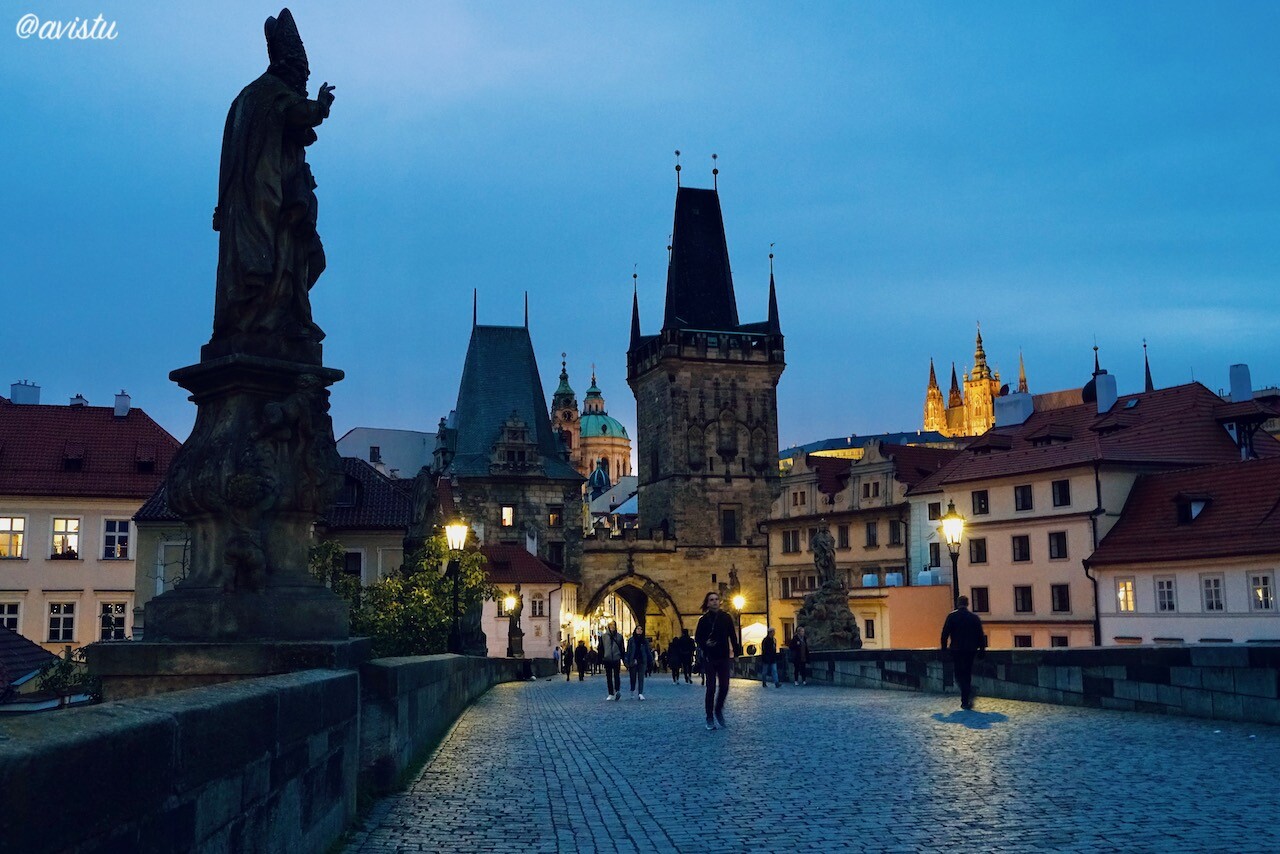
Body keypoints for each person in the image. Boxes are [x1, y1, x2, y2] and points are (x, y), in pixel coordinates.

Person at [694, 591, 743, 730]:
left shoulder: (726, 617)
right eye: (711, 600)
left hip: (723, 656)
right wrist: (705, 644)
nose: (715, 601)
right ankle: (709, 717)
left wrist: (737, 652)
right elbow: (698, 638)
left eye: (716, 599)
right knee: (710, 688)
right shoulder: (703, 620)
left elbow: (732, 635)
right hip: (710, 657)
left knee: (725, 686)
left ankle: (718, 709)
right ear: (707, 603)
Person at [941, 595, 987, 710]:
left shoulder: (952, 617)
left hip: (956, 650)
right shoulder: (974, 618)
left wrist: (944, 648)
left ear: (957, 603)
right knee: (967, 674)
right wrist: (982, 650)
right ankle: (966, 698)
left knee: (958, 675)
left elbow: (944, 634)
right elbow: (981, 636)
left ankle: (967, 694)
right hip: (970, 650)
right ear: (967, 604)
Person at [600, 621, 627, 701]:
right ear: (608, 626)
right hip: (607, 658)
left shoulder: (619, 637)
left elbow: (622, 648)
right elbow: (601, 648)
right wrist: (601, 658)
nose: (612, 626)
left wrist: (622, 657)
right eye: (611, 625)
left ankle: (617, 691)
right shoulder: (604, 636)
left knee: (616, 676)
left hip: (616, 658)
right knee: (609, 677)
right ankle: (610, 693)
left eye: (614, 625)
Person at [626, 626, 653, 700]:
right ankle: (632, 690)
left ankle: (640, 693)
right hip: (633, 661)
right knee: (633, 677)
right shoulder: (631, 640)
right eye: (638, 629)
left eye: (641, 629)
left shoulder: (644, 641)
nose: (640, 630)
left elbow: (647, 651)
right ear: (635, 630)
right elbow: (629, 651)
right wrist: (627, 661)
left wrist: (650, 660)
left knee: (641, 678)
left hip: (642, 660)